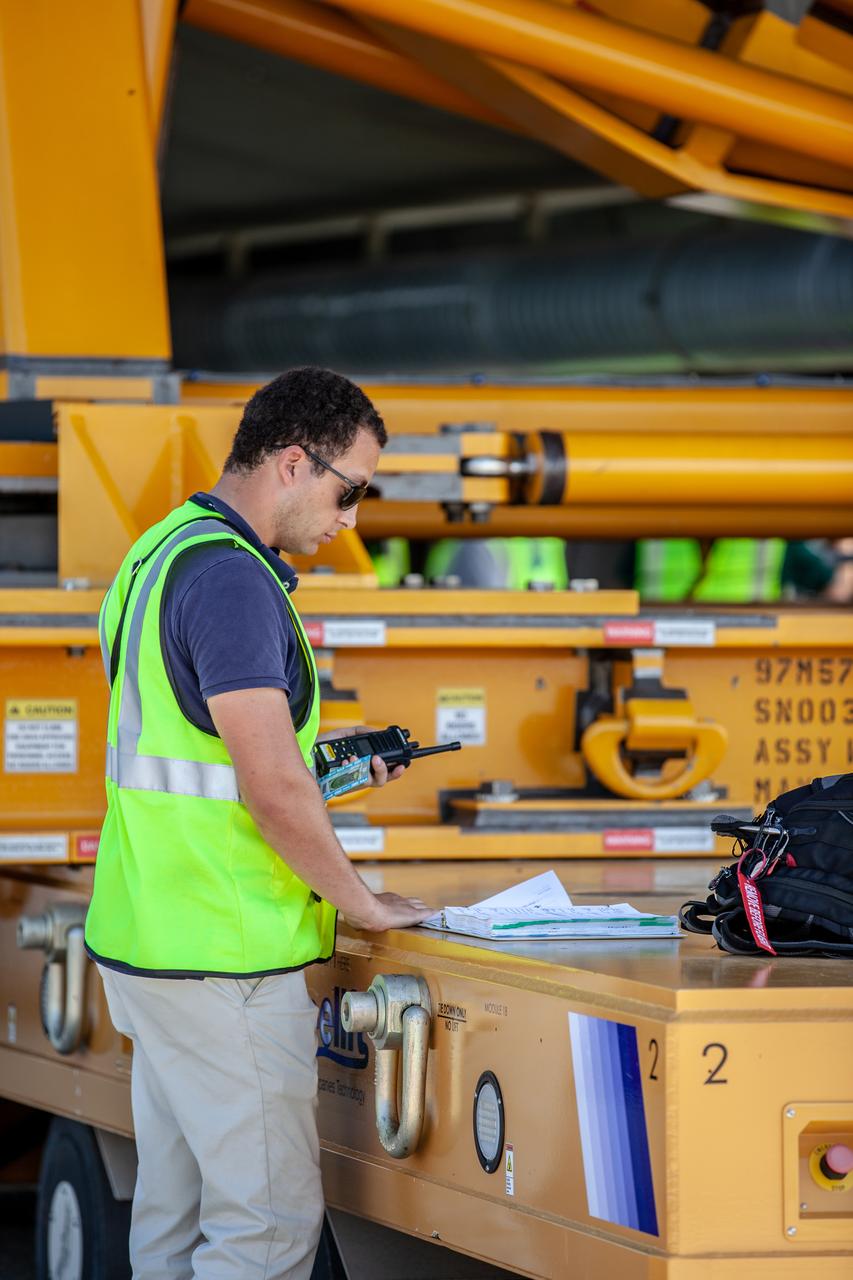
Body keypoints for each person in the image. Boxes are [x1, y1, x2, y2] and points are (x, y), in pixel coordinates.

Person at [85, 367, 434, 1280]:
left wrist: (320, 767)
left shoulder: (158, 552)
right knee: (266, 1229)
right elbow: (270, 792)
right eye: (349, 489)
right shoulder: (235, 583)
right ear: (291, 462)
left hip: (155, 942)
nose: (351, 519)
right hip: (224, 960)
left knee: (174, 1216)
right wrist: (361, 902)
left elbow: (198, 753)